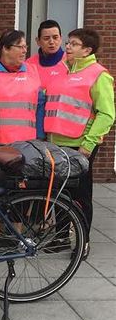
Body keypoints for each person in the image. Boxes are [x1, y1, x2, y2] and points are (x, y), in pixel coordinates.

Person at [44, 28, 115, 260]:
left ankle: (83, 241)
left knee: (80, 194)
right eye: (69, 43)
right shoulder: (64, 71)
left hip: (79, 145)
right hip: (57, 142)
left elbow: (106, 114)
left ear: (88, 50)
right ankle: (61, 236)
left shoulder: (98, 75)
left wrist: (88, 144)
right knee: (59, 192)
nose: (68, 47)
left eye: (74, 44)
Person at [0, 30, 44, 145]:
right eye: (20, 47)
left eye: (25, 46)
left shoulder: (33, 71)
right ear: (5, 49)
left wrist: (40, 137)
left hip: (28, 144)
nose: (25, 51)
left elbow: (40, 105)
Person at [26, 19, 66, 89]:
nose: (51, 42)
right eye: (46, 38)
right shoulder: (29, 64)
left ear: (61, 39)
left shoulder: (72, 62)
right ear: (38, 41)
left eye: (55, 38)